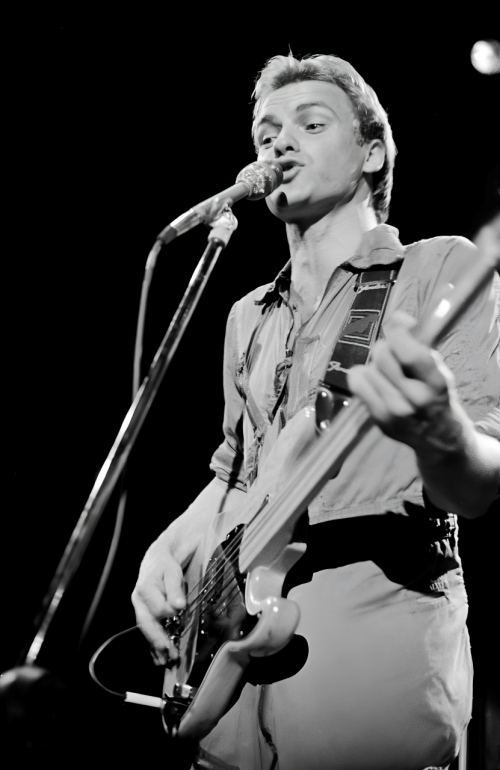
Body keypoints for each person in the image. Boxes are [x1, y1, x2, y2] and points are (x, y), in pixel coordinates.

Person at [132, 53, 500, 770]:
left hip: (371, 629)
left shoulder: (438, 270)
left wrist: (442, 431)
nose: (279, 143)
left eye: (310, 123)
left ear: (372, 152)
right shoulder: (247, 316)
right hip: (235, 665)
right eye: (266, 132)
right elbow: (238, 476)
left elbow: (481, 481)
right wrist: (166, 549)